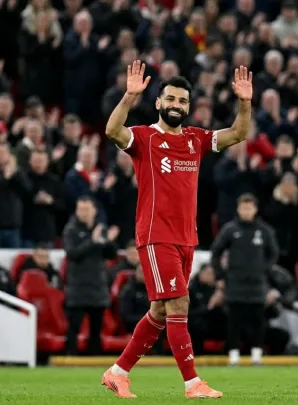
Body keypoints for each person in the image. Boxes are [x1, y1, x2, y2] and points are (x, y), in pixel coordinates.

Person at [100, 60, 253, 399]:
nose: (176, 105)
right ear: (158, 102)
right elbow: (112, 131)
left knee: (159, 311)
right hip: (156, 236)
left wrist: (244, 102)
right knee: (179, 303)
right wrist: (129, 96)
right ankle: (192, 383)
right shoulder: (145, 138)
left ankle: (117, 373)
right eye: (170, 98)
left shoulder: (196, 139)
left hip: (186, 238)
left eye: (183, 101)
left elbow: (238, 133)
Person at [210, 193, 279, 366]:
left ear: (255, 209)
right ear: (238, 209)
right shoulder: (230, 230)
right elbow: (216, 252)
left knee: (258, 320)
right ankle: (234, 355)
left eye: (249, 208)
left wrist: (264, 269)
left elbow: (274, 253)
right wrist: (221, 275)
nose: (246, 211)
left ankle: (257, 354)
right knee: (234, 321)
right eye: (243, 208)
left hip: (257, 283)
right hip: (235, 282)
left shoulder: (264, 231)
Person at [62, 196, 120, 355]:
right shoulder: (71, 230)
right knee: (74, 326)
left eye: (86, 209)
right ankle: (70, 357)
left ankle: (94, 358)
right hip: (78, 287)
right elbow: (72, 253)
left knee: (96, 328)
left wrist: (109, 241)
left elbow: (111, 255)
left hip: (97, 286)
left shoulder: (100, 229)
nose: (83, 213)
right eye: (80, 209)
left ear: (94, 211)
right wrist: (92, 241)